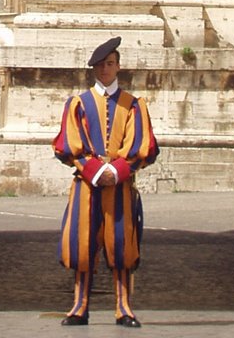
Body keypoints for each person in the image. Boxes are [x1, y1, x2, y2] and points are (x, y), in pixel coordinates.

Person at [52, 36, 159, 328]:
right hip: (87, 187)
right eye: (100, 65)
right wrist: (97, 171)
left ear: (118, 66)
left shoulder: (135, 105)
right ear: (94, 68)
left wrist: (118, 171)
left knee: (122, 246)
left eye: (109, 64)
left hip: (121, 188)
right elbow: (68, 145)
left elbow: (143, 145)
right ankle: (79, 306)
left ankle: (123, 307)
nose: (105, 69)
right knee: (83, 245)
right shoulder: (78, 104)